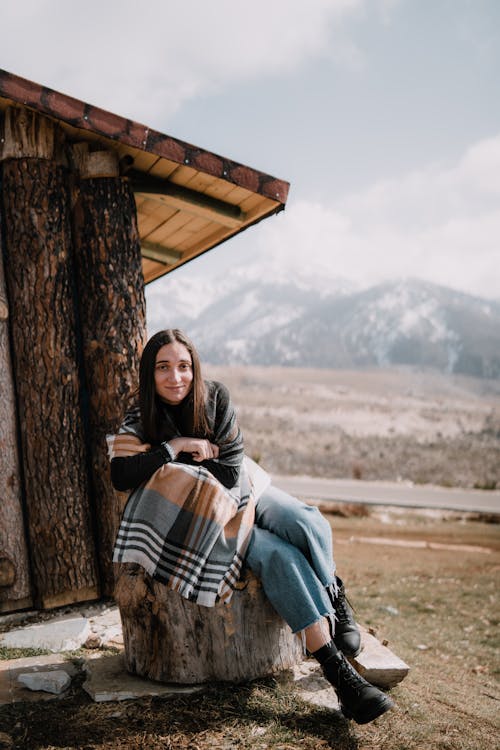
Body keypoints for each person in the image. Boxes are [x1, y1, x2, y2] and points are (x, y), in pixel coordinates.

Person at [109, 329, 394, 725]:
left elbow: (229, 473)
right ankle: (342, 679)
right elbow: (121, 474)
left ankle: (334, 593)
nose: (176, 377)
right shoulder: (139, 417)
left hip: (247, 489)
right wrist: (175, 448)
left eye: (184, 366)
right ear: (149, 373)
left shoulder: (216, 398)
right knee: (278, 555)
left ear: (195, 369)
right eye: (163, 368)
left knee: (301, 519)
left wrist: (176, 469)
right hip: (208, 518)